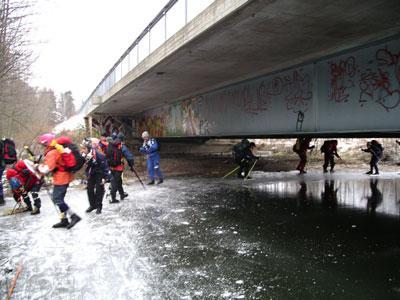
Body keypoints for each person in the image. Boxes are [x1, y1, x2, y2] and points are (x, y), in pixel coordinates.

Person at [37, 133, 81, 229]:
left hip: (61, 178)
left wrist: (37, 167)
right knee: (59, 199)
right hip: (64, 176)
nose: (42, 146)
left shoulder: (51, 152)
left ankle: (74, 216)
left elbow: (47, 168)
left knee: (57, 199)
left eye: (43, 144)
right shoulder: (57, 148)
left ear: (46, 143)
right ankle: (64, 220)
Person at [82, 138, 112, 214]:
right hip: (91, 173)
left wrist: (105, 178)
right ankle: (92, 205)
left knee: (99, 190)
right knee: (89, 189)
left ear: (88, 148)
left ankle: (99, 206)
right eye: (82, 148)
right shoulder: (84, 154)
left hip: (100, 173)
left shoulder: (98, 155)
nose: (83, 150)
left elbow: (105, 167)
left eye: (84, 148)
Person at [106, 132, 134, 203]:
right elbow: (129, 157)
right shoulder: (121, 146)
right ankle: (113, 198)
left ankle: (122, 194)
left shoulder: (111, 143)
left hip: (111, 166)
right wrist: (131, 165)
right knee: (115, 182)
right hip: (118, 167)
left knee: (118, 181)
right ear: (122, 139)